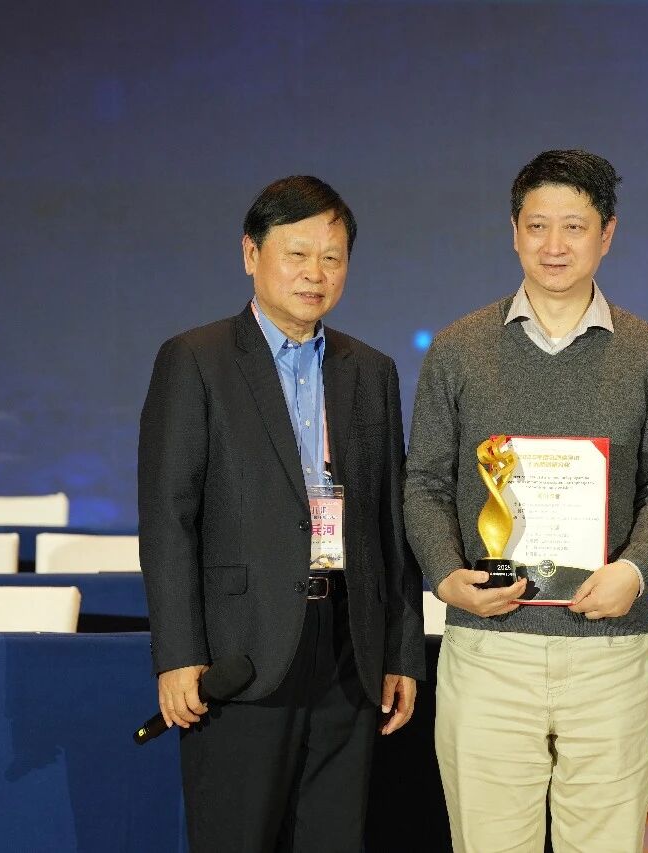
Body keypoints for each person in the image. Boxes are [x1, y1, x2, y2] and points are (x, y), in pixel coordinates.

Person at [403, 149, 648, 853]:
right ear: (514, 232)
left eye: (574, 226)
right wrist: (445, 577)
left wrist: (635, 570)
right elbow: (424, 482)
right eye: (537, 226)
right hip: (489, 648)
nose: (554, 245)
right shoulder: (458, 348)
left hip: (610, 651)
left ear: (607, 234)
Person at [138, 175, 425, 852]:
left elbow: (391, 525)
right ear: (251, 253)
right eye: (296, 254)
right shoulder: (196, 360)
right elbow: (168, 518)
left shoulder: (371, 370)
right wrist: (178, 654)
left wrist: (401, 651)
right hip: (241, 653)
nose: (314, 274)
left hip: (349, 650)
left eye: (332, 257)